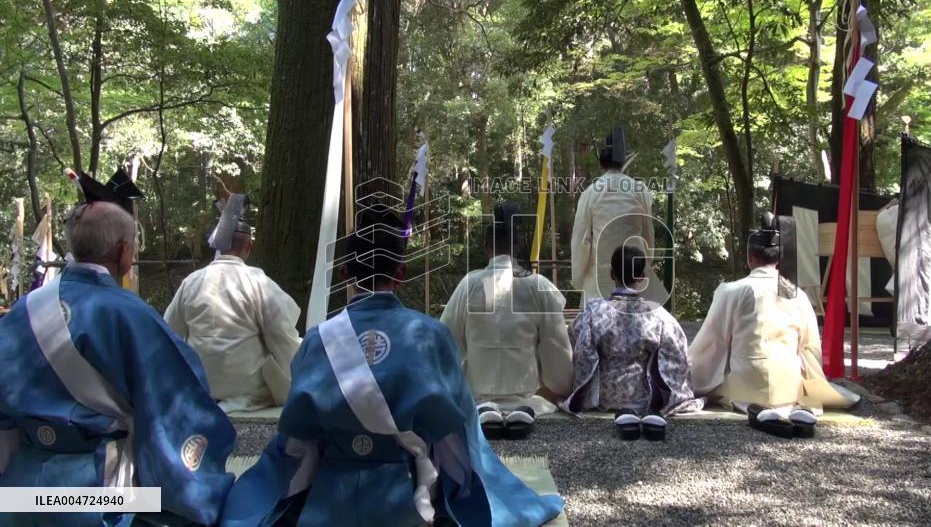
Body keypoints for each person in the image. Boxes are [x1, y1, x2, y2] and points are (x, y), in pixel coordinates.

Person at [220, 204, 563, 527]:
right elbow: (457, 431)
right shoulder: (429, 334)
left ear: (345, 272)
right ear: (401, 272)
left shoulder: (318, 339)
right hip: (408, 496)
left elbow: (297, 435)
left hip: (329, 499)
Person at [0, 171, 235, 527]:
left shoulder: (22, 312)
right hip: (94, 490)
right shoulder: (130, 315)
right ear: (123, 251)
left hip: (19, 488)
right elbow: (176, 403)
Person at [688, 223, 860, 420]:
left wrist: (689, 372)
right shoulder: (797, 295)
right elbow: (809, 347)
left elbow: (712, 342)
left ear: (750, 257)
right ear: (779, 259)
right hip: (788, 389)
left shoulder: (732, 291)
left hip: (745, 390)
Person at [441, 202, 573, 436]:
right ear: (519, 245)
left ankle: (486, 409)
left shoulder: (469, 285)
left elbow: (446, 345)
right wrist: (559, 386)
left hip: (476, 396)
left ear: (487, 249)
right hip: (529, 399)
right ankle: (518, 412)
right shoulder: (538, 286)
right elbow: (556, 348)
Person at [165, 194, 301, 413]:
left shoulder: (191, 282)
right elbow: (281, 336)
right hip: (248, 386)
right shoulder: (258, 282)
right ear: (249, 246)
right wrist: (299, 375)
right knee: (295, 345)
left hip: (201, 384)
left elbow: (169, 333)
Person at [562, 245, 703, 440]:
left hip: (601, 397)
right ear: (642, 277)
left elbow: (578, 349)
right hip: (644, 398)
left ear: (612, 274)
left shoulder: (594, 311)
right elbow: (677, 356)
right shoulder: (657, 314)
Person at [571, 126, 667, 306]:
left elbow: (582, 240)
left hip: (598, 281)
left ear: (601, 164)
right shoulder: (640, 191)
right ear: (623, 163)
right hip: (633, 279)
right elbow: (648, 235)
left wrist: (578, 278)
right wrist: (644, 264)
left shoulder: (591, 193)